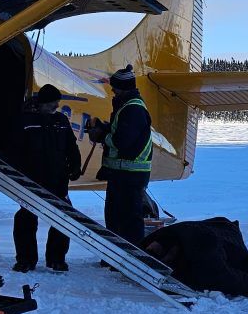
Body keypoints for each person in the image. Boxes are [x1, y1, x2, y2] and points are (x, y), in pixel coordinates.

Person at [9, 84, 82, 272]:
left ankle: (56, 258)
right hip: (32, 179)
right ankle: (26, 259)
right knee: (26, 219)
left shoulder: (61, 121)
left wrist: (75, 165)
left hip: (58, 179)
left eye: (57, 102)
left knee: (64, 218)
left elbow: (71, 147)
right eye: (52, 102)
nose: (56, 106)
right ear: (42, 102)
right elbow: (15, 150)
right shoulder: (25, 121)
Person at [87, 65, 152, 246]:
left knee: (129, 218)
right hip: (121, 174)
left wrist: (100, 136)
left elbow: (123, 141)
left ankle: (132, 257)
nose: (113, 90)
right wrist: (103, 126)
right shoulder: (126, 106)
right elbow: (119, 131)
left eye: (115, 87)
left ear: (123, 88)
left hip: (130, 175)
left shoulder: (133, 109)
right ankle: (116, 254)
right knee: (115, 216)